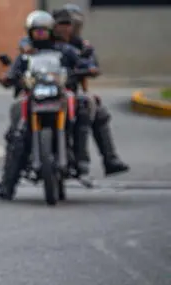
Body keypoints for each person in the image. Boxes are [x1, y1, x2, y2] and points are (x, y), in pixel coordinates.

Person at [0, 10, 96, 200]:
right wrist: (8, 78)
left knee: (81, 112)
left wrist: (87, 67)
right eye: (36, 32)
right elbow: (15, 71)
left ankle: (81, 163)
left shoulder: (64, 50)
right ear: (30, 32)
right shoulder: (26, 54)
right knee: (17, 133)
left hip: (59, 93)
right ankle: (7, 184)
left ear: (50, 31)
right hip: (34, 96)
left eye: (43, 31)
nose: (40, 35)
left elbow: (81, 62)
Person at [52, 4, 130, 176]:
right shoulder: (43, 42)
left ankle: (108, 159)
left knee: (95, 108)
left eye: (72, 24)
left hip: (71, 90)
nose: (69, 28)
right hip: (45, 91)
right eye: (64, 24)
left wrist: (90, 70)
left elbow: (92, 66)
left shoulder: (82, 46)